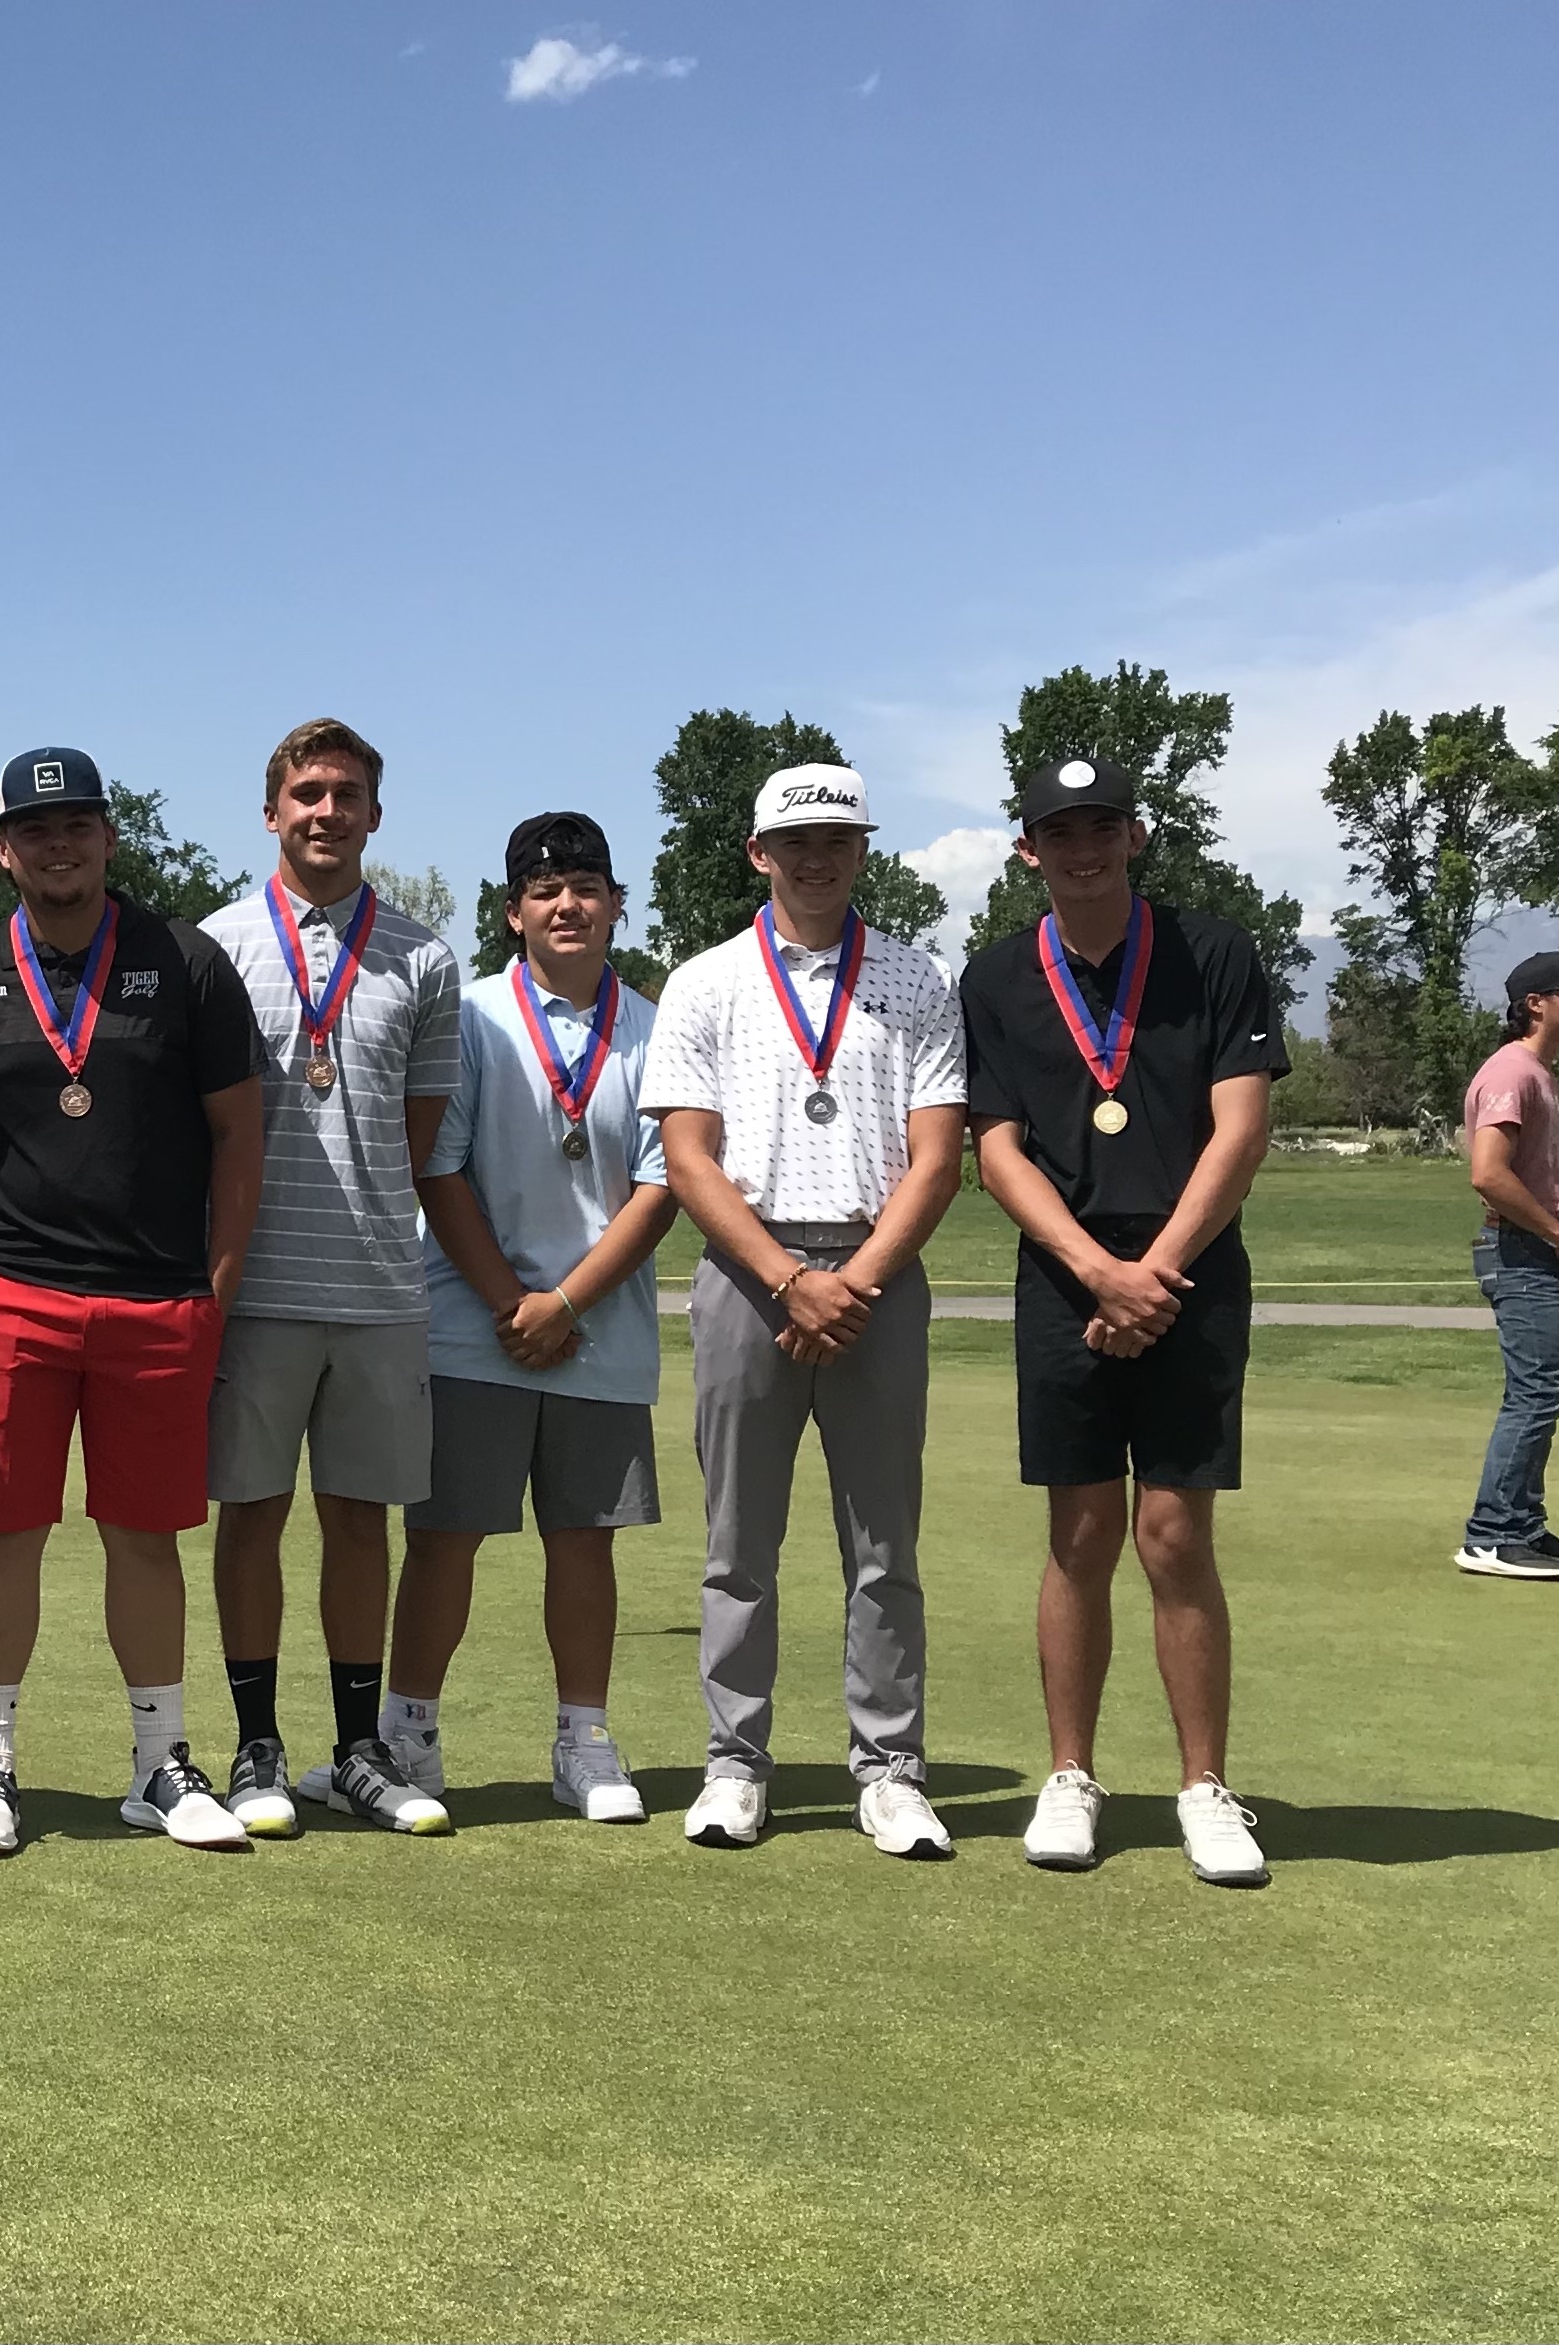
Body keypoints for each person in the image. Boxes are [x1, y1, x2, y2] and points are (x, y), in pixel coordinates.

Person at [0, 746, 268, 1856]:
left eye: (78, 824)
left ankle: (158, 1759)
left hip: (157, 1300)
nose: (57, 844)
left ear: (110, 837)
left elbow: (237, 1134)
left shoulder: (188, 960)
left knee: (144, 1537)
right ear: (1, 846)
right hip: (11, 1292)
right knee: (2, 1532)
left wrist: (215, 1286)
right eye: (36, 827)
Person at [958, 758, 1281, 1888]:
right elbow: (993, 1147)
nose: (1081, 847)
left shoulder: (1215, 951)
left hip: (1188, 1265)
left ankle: (1201, 1785)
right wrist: (1098, 1271)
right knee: (1080, 1534)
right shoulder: (995, 974)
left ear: (1135, 836)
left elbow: (1237, 1132)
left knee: (1173, 1536)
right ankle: (1069, 1774)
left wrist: (1151, 1272)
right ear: (1025, 848)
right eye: (1059, 830)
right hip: (1065, 1269)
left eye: (1101, 826)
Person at [637, 763, 967, 1858]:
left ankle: (888, 1768)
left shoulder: (916, 978)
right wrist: (788, 1277)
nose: (815, 857)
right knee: (738, 1546)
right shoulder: (704, 981)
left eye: (836, 838)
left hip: (874, 1275)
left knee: (883, 1547)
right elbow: (687, 1157)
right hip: (747, 1278)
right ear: (757, 853)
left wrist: (854, 1279)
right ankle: (735, 1762)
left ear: (862, 848)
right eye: (795, 840)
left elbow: (934, 1158)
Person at [194, 719, 461, 1837]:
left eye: (345, 793)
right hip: (251, 1289)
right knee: (248, 1518)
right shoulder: (210, 946)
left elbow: (417, 1133)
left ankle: (355, 1751)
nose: (324, 811)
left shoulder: (424, 955)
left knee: (361, 1524)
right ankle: (256, 1745)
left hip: (376, 1291)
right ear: (270, 810)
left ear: (373, 814)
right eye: (305, 791)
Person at [400, 813, 675, 1825]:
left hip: (597, 1329)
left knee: (582, 1539)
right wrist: (509, 1301)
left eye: (586, 886)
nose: (567, 904)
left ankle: (583, 1741)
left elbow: (660, 1187)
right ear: (512, 910)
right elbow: (439, 1168)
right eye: (544, 889)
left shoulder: (655, 1027)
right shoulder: (471, 1017)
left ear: (612, 903)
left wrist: (561, 1302)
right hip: (472, 1324)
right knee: (441, 1538)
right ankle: (408, 1734)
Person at [1455, 953, 1559, 1581]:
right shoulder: (1511, 1071)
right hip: (1524, 1252)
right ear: (1537, 1003)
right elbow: (1488, 1174)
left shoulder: (1534, 1072)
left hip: (1537, 1248)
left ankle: (1523, 1526)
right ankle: (1490, 1536)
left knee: (1542, 1393)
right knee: (1534, 1394)